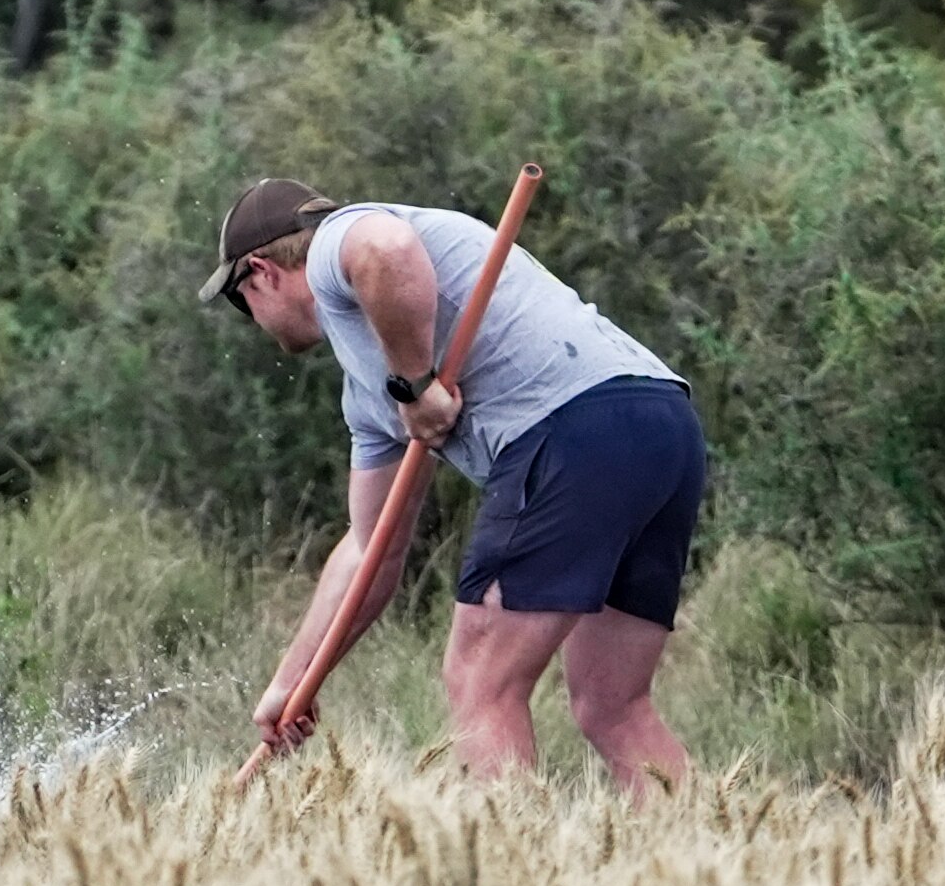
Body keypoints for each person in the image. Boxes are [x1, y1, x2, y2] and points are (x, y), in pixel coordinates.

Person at [204, 179, 705, 791]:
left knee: (479, 678)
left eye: (238, 300)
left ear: (261, 271)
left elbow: (385, 248)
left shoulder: (337, 240)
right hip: (661, 422)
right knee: (611, 704)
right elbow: (371, 547)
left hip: (572, 424)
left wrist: (415, 386)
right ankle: (722, 867)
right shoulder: (367, 391)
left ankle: (505, 875)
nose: (250, 321)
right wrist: (295, 679)